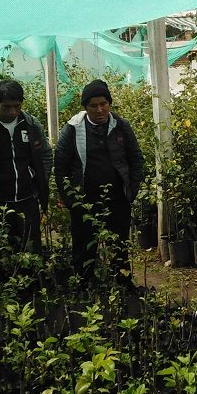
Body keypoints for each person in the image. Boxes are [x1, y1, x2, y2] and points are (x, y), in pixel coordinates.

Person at [54, 79, 145, 286]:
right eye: (93, 106)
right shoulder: (73, 129)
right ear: (85, 108)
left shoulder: (120, 126)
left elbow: (136, 159)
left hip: (117, 199)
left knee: (119, 246)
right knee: (84, 248)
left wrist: (131, 190)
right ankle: (85, 287)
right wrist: (71, 200)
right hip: (85, 202)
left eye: (103, 104)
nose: (100, 110)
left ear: (109, 103)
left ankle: (123, 286)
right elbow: (60, 167)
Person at [0, 79, 52, 254]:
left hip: (28, 200)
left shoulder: (31, 124)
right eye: (7, 107)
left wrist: (39, 185)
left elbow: (45, 154)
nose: (13, 111)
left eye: (17, 106)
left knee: (31, 251)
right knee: (2, 252)